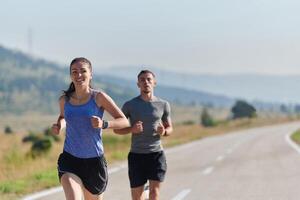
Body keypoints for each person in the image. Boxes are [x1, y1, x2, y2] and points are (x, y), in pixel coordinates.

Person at [51, 57, 129, 200]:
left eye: (83, 71)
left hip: (94, 162)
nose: (78, 75)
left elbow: (124, 121)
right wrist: (59, 126)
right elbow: (63, 117)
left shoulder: (99, 97)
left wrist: (104, 124)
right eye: (74, 71)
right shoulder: (64, 100)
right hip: (70, 159)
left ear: (90, 74)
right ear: (70, 75)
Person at [114, 70, 173, 200]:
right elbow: (117, 130)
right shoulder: (130, 105)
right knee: (137, 197)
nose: (146, 82)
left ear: (154, 83)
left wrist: (163, 132)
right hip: (136, 156)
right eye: (142, 80)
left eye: (148, 79)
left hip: (156, 155)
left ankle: (148, 190)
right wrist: (131, 129)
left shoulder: (163, 105)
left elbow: (170, 128)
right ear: (138, 84)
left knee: (154, 194)